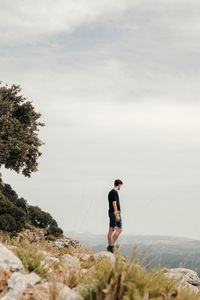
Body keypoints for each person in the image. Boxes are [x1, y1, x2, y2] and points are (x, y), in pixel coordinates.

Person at [107, 179, 123, 253]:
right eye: (121, 186)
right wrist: (117, 215)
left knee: (111, 229)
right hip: (114, 213)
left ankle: (110, 246)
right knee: (119, 229)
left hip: (110, 212)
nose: (120, 187)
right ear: (119, 185)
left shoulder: (110, 192)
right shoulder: (114, 192)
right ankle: (111, 246)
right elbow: (114, 203)